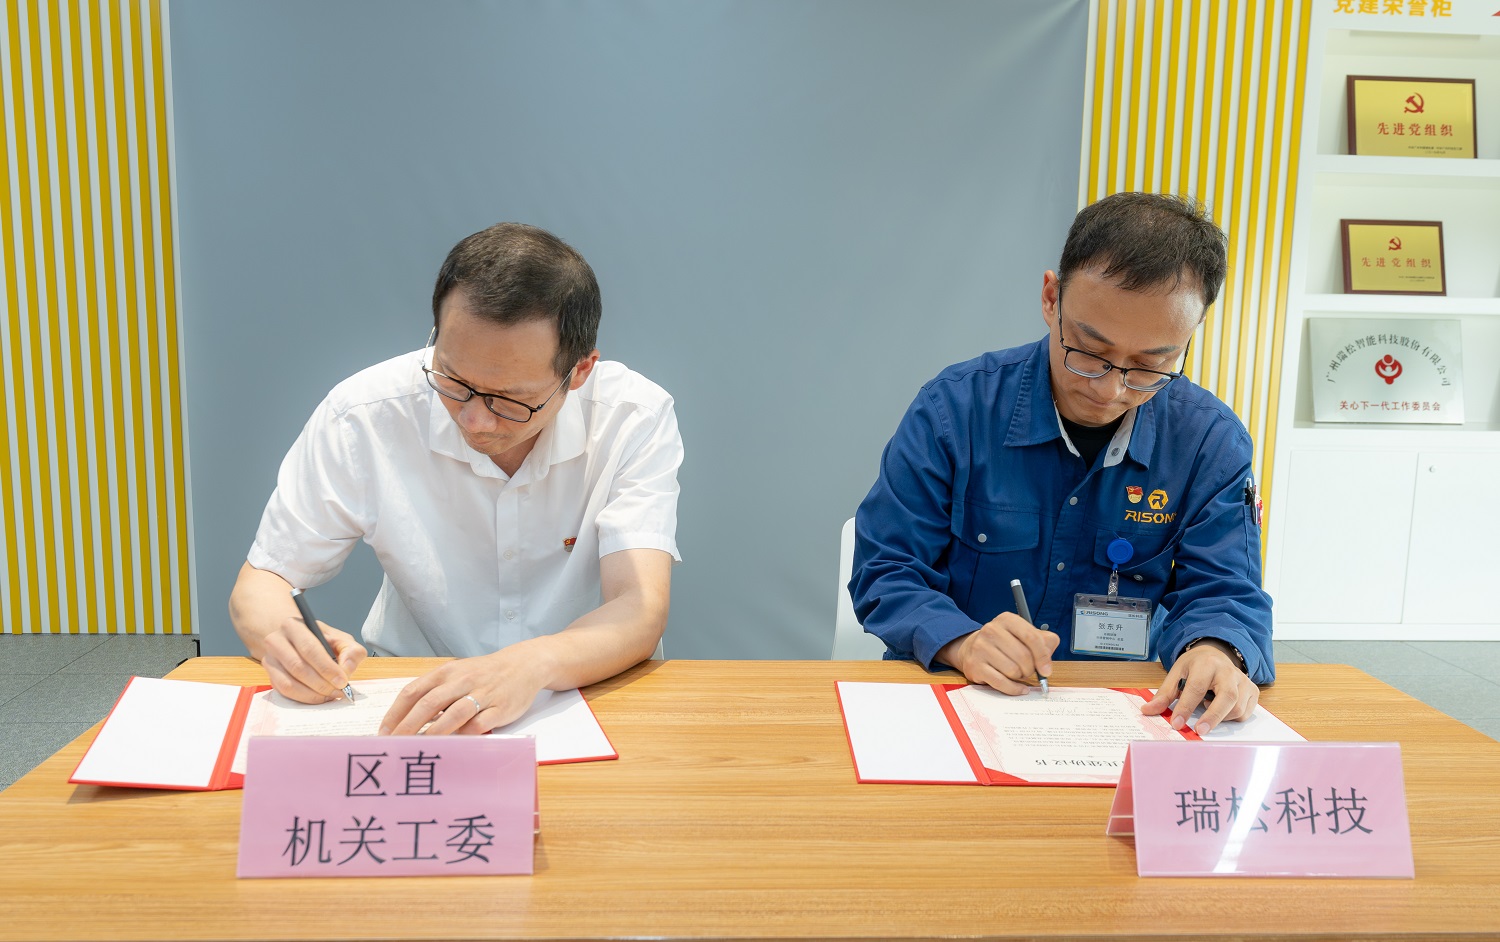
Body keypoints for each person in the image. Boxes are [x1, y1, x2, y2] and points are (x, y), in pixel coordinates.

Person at [229, 222, 682, 735]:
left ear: (579, 372)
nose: (474, 420)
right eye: (453, 379)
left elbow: (637, 608)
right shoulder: (363, 414)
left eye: (509, 399)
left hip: (584, 695)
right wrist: (287, 640)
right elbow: (260, 585)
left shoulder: (633, 417)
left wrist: (530, 665)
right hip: (415, 699)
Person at [849, 192, 1271, 735]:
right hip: (955, 699)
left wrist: (1216, 649)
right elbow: (886, 568)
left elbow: (1226, 591)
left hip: (1121, 717)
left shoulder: (1209, 442)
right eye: (1090, 352)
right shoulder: (954, 411)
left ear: (1191, 332)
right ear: (1052, 298)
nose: (1112, 389)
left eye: (1151, 364)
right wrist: (961, 640)